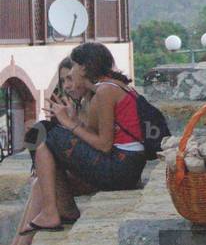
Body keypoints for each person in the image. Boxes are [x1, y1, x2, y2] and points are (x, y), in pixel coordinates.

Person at [23, 42, 147, 234]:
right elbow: (92, 137)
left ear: (83, 68)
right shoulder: (108, 88)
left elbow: (103, 145)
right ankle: (61, 210)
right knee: (42, 133)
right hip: (126, 165)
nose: (70, 73)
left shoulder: (106, 91)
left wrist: (67, 123)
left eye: (72, 67)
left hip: (121, 168)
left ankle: (53, 211)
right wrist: (73, 122)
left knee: (42, 133)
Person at [0, 59, 92, 245]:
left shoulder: (91, 103)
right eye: (63, 81)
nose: (67, 86)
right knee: (39, 183)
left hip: (95, 176)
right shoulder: (77, 104)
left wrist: (72, 122)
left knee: (41, 184)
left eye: (70, 79)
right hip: (82, 171)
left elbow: (93, 146)